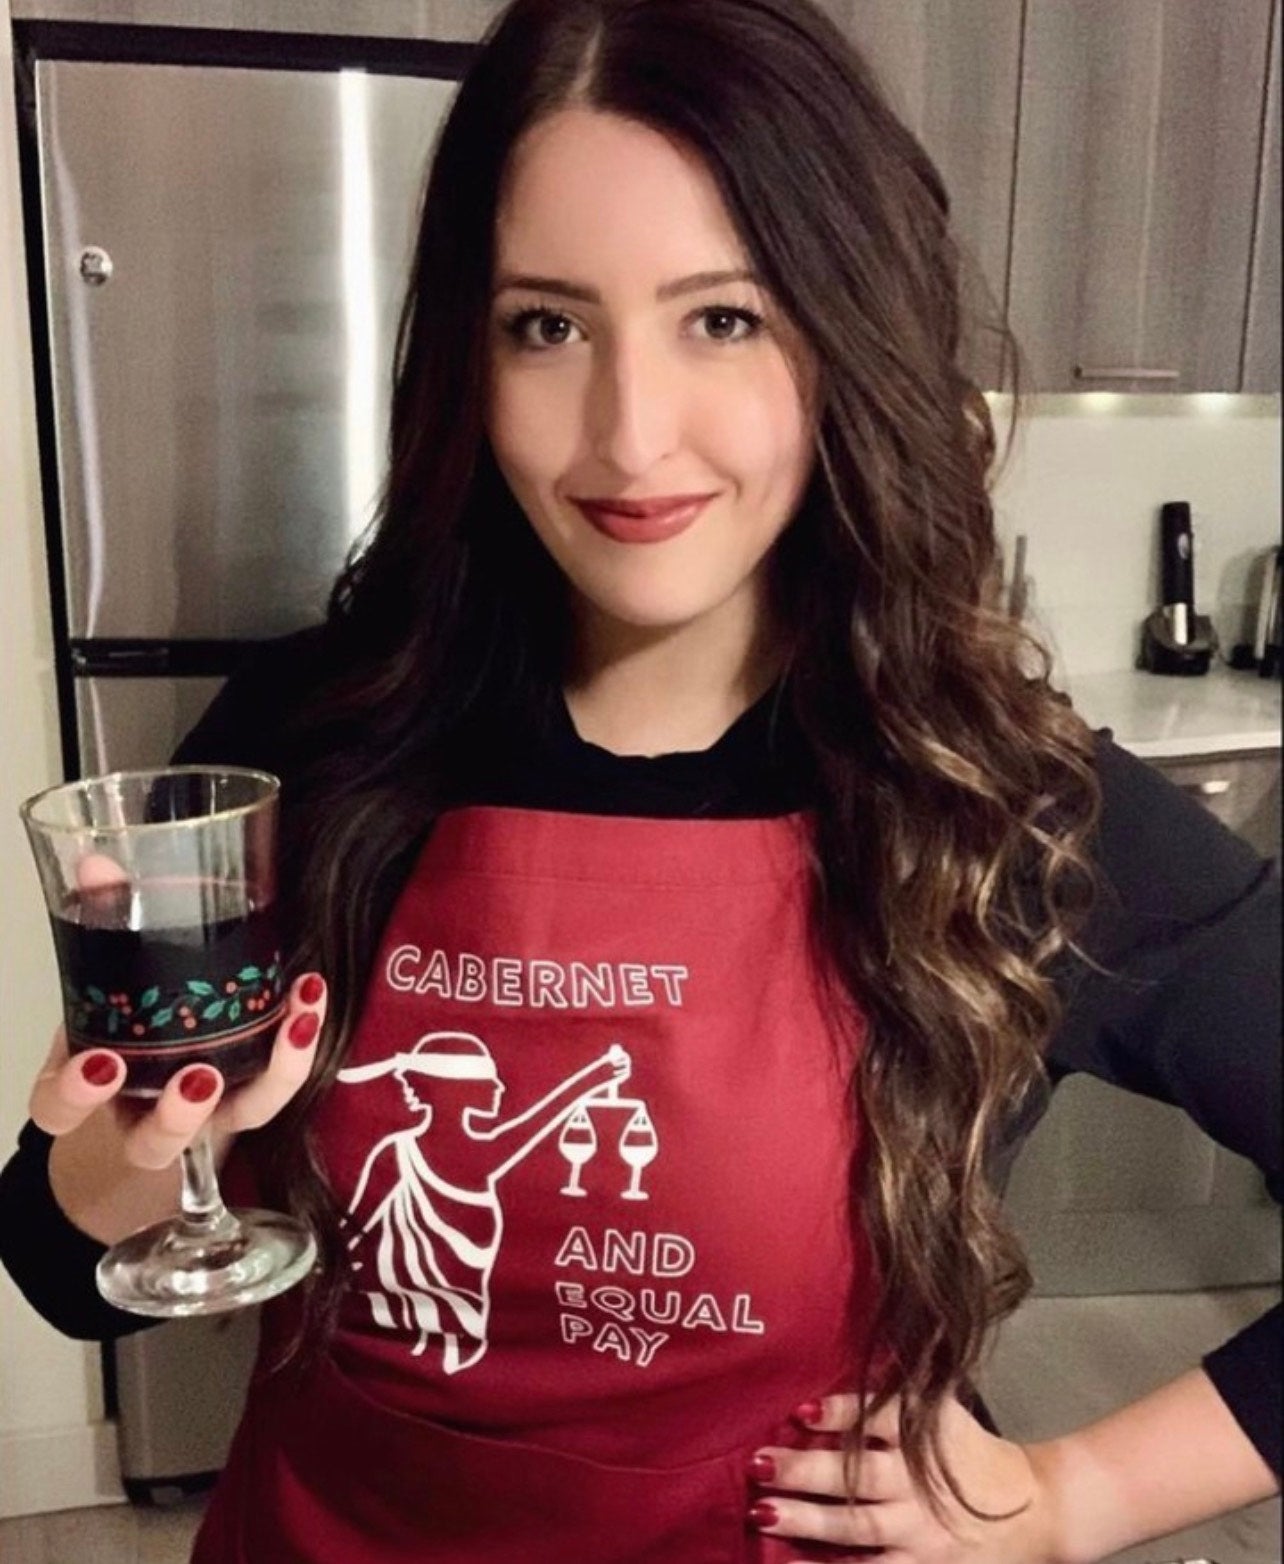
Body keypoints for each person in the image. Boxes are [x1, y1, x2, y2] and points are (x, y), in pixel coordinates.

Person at [1, 0, 1279, 1558]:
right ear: (467, 356)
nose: (628, 432)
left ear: (844, 340)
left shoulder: (997, 811)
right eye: (548, 323)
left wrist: (1082, 1496)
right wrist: (122, 1166)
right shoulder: (306, 741)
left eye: (723, 319)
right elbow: (60, 1267)